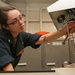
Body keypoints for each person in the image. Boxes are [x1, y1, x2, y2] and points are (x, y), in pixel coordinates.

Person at [0, 5, 75, 71]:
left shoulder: (21, 36)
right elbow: (7, 67)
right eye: (14, 21)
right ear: (5, 26)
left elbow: (43, 39)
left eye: (20, 17)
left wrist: (64, 30)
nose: (21, 22)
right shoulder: (1, 38)